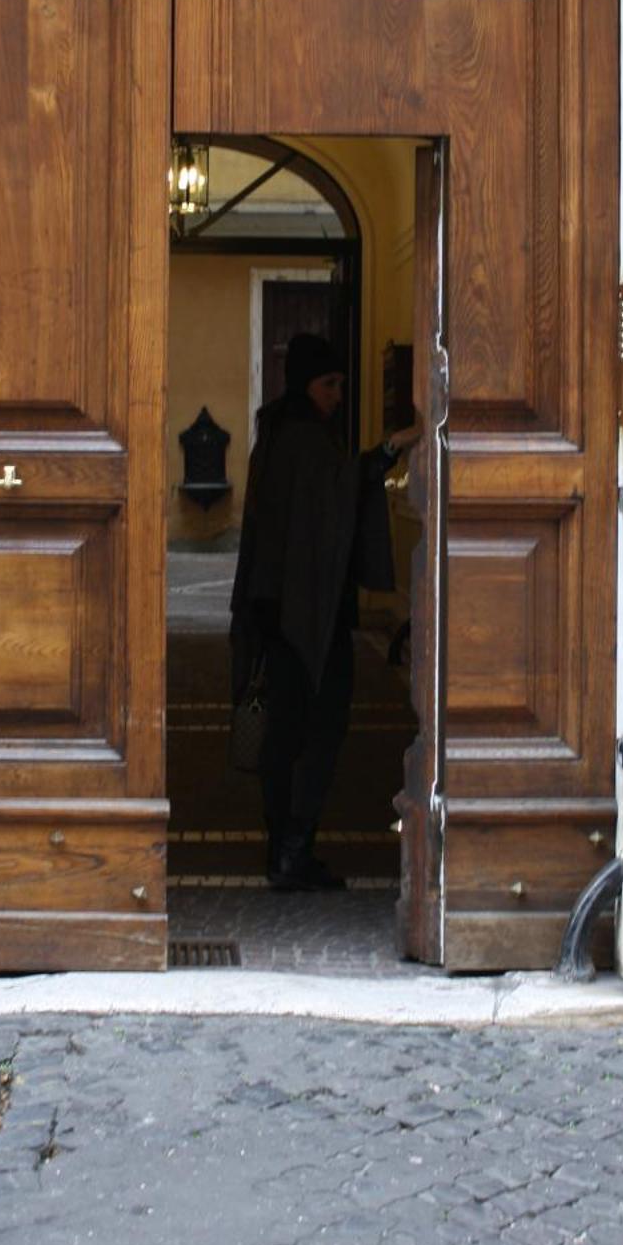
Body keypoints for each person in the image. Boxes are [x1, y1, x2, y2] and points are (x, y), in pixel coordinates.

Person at [230, 332, 421, 891]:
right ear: (306, 384)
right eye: (330, 384)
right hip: (304, 615)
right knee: (315, 732)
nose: (338, 394)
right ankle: (292, 852)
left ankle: (284, 850)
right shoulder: (303, 441)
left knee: (286, 737)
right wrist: (389, 450)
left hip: (281, 611)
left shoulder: (279, 435)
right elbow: (341, 492)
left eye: (339, 383)